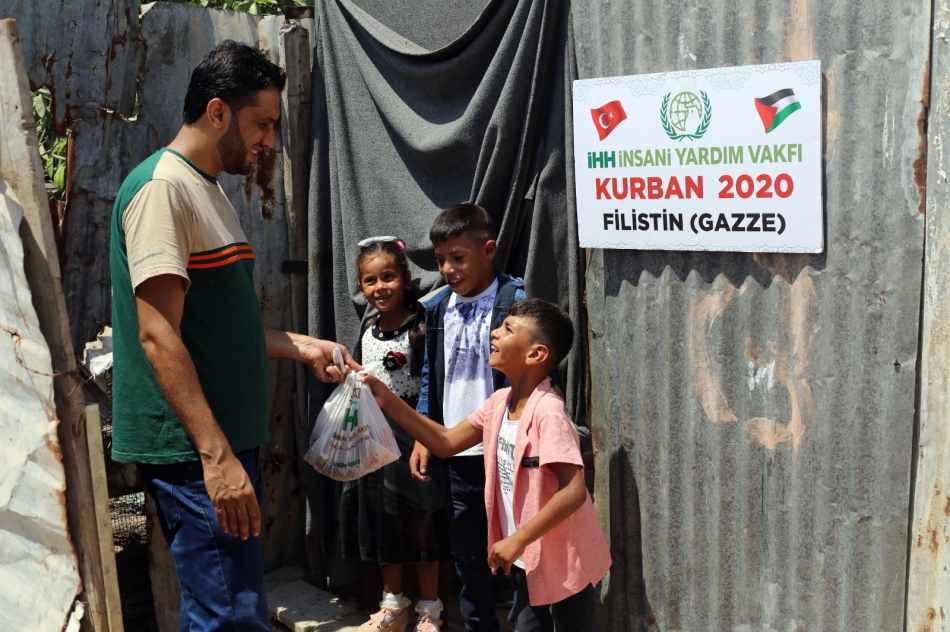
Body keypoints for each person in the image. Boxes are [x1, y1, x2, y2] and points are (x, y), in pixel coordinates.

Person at [109, 40, 358, 630]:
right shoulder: (162, 189)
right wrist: (215, 456)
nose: (270, 140)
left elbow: (219, 323)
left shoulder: (206, 186)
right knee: (230, 616)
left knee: (228, 608)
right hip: (194, 448)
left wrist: (303, 346)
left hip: (220, 442)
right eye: (262, 123)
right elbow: (157, 334)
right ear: (218, 112)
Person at [364, 299, 611, 632]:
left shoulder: (548, 414)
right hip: (528, 559)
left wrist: (517, 539)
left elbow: (574, 491)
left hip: (567, 561)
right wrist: (384, 397)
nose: (494, 332)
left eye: (508, 329)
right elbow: (446, 442)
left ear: (536, 354)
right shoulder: (499, 403)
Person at [413, 203, 524, 632]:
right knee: (468, 555)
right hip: (455, 457)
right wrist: (425, 433)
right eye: (441, 260)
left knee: (518, 553)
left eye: (458, 258)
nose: (447, 269)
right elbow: (430, 375)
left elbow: (533, 378)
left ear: (489, 250)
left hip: (504, 454)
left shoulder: (515, 303)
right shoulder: (437, 307)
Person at [341, 236, 451, 632]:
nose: (380, 287)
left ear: (405, 279)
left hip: (413, 439)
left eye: (388, 277)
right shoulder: (368, 330)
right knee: (384, 519)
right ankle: (392, 606)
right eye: (370, 281)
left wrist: (425, 437)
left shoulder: (421, 327)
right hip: (375, 441)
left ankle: (430, 610)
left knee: (421, 520)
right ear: (361, 287)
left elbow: (432, 386)